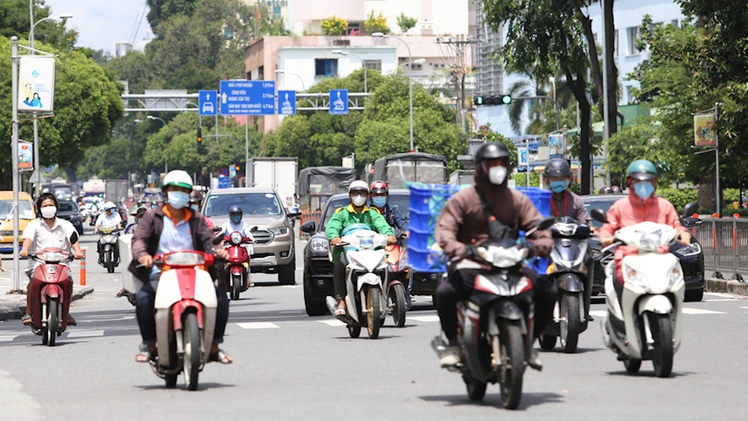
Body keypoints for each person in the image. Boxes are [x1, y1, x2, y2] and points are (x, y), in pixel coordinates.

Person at [435, 142, 555, 369]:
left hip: (510, 263)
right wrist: (458, 248)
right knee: (445, 293)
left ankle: (529, 345)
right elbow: (445, 230)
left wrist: (541, 243)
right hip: (472, 262)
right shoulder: (463, 200)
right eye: (492, 164)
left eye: (502, 163)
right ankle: (452, 344)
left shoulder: (516, 199)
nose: (498, 168)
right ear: (480, 167)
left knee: (548, 292)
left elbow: (538, 228)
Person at [128, 170, 232, 364]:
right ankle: (149, 345)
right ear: (165, 193)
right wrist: (142, 256)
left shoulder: (196, 218)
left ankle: (214, 346)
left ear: (189, 194)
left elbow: (208, 240)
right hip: (162, 272)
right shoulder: (152, 217)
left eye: (183, 190)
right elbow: (139, 239)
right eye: (174, 190)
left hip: (195, 272)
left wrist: (218, 251)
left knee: (220, 297)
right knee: (143, 298)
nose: (178, 194)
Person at [325, 180, 397, 316]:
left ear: (367, 196)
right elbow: (332, 226)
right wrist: (335, 237)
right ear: (350, 195)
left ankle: (384, 297)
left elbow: (382, 225)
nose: (359, 196)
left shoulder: (372, 213)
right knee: (340, 266)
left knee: (385, 265)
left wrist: (389, 235)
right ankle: (341, 301)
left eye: (362, 193)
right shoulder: (342, 213)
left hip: (370, 250)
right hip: (347, 251)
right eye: (355, 193)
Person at [19, 193, 84, 326]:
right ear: (39, 209)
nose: (48, 208)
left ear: (56, 207)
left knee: (68, 281)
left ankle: (66, 311)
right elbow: (28, 239)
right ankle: (29, 311)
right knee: (33, 281)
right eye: (45, 206)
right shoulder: (34, 225)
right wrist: (25, 250)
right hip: (38, 263)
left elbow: (73, 239)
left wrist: (77, 251)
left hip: (61, 264)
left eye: (51, 205)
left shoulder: (65, 225)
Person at [600, 159, 690, 249]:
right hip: (628, 257)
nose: (643, 186)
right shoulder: (619, 207)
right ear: (629, 182)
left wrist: (683, 233)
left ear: (654, 183)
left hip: (660, 257)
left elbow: (676, 227)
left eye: (648, 182)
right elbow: (608, 227)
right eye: (638, 182)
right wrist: (606, 238)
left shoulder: (665, 206)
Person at [543, 158, 589, 225]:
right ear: (546, 180)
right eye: (554, 178)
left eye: (562, 178)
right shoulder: (540, 201)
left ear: (569, 179)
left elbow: (585, 224)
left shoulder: (576, 201)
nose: (558, 181)